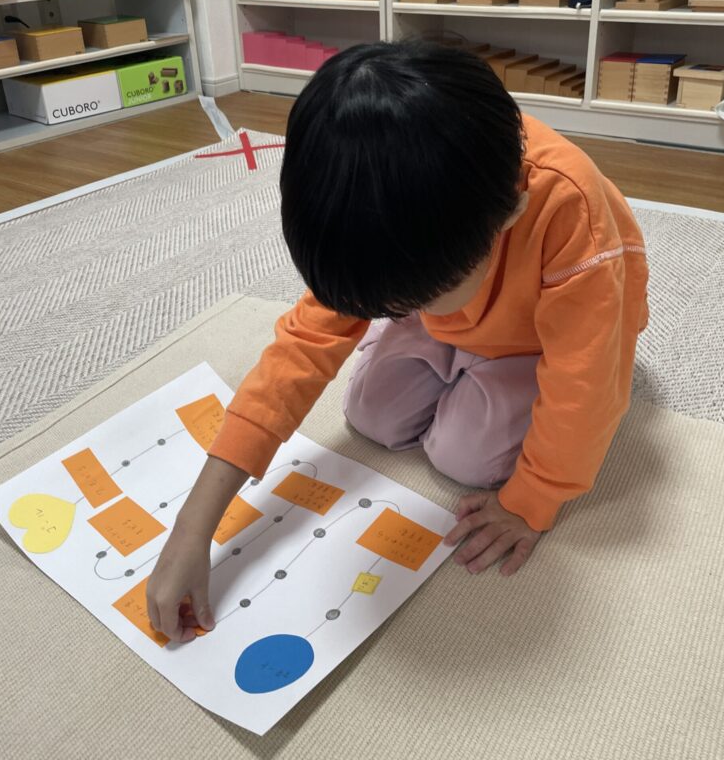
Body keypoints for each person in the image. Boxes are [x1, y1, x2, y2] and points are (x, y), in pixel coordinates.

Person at [147, 40, 649, 643]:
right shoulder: (385, 201)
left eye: (403, 300)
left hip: (538, 340)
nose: (383, 311)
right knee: (370, 414)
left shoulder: (570, 214)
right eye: (385, 305)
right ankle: (438, 332)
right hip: (452, 307)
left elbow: (584, 386)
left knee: (465, 459)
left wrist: (531, 500)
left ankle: (464, 359)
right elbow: (303, 346)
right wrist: (194, 525)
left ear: (508, 218)